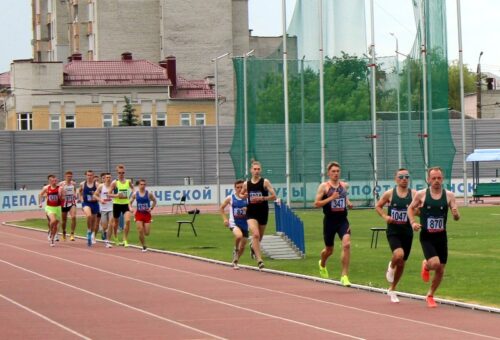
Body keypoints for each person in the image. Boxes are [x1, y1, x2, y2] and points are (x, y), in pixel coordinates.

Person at [407, 166, 460, 308]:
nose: (436, 181)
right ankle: (426, 264)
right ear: (429, 179)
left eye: (439, 178)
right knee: (435, 264)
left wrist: (455, 214)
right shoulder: (421, 194)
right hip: (427, 236)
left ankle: (430, 295)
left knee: (441, 269)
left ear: (442, 179)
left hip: (441, 236)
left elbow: (456, 217)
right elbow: (410, 208)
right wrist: (413, 223)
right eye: (434, 178)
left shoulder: (449, 195)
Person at [375, 168, 417, 303]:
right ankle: (391, 266)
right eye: (401, 177)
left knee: (402, 263)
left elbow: (420, 211)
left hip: (407, 232)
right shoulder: (390, 194)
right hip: (393, 231)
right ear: (396, 179)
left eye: (406, 177)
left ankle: (392, 289)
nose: (404, 179)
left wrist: (415, 216)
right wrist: (385, 216)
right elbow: (378, 206)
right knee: (398, 255)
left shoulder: (414, 195)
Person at [314, 161, 353, 286]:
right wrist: (331, 198)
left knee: (346, 244)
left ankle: (344, 276)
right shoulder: (324, 187)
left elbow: (344, 195)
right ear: (328, 173)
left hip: (343, 221)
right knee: (329, 250)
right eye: (333, 171)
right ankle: (322, 263)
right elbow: (316, 204)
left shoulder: (344, 185)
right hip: (330, 222)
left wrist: (348, 202)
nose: (336, 173)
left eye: (337, 171)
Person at [241, 161, 276, 270]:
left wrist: (263, 198)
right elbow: (241, 194)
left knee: (259, 237)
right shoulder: (246, 184)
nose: (256, 171)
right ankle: (259, 260)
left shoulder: (265, 182)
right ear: (251, 170)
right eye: (254, 169)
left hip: (263, 212)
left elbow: (274, 196)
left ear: (260, 170)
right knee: (255, 234)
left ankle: (252, 246)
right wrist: (244, 195)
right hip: (251, 212)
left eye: (258, 169)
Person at [220, 180, 249, 269]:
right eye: (238, 187)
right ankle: (235, 249)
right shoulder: (231, 198)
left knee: (243, 246)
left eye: (241, 187)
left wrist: (247, 209)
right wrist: (225, 219)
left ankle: (235, 261)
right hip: (234, 223)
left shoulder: (248, 198)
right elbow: (221, 208)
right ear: (235, 188)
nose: (240, 189)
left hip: (245, 224)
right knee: (239, 236)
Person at [129, 179, 157, 252]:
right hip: (139, 214)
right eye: (141, 184)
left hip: (147, 214)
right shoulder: (135, 194)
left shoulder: (149, 194)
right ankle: (143, 246)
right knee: (140, 230)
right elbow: (130, 202)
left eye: (144, 184)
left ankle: (143, 235)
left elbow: (154, 201)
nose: (142, 186)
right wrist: (131, 208)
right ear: (138, 185)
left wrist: (151, 208)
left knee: (147, 233)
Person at [110, 164, 134, 247]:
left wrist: (131, 197)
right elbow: (109, 194)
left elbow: (133, 189)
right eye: (120, 173)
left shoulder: (128, 181)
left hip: (125, 204)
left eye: (123, 173)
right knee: (116, 222)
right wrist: (116, 195)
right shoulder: (114, 182)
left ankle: (125, 239)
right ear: (117, 173)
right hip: (116, 204)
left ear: (125, 173)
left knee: (127, 221)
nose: (121, 174)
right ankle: (115, 237)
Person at [38, 174, 63, 247]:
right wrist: (40, 203)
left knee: (55, 224)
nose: (54, 181)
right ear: (49, 181)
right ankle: (50, 232)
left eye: (55, 180)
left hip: (58, 207)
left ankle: (52, 238)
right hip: (49, 207)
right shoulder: (46, 188)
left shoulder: (60, 188)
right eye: (52, 180)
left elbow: (63, 198)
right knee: (53, 221)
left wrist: (61, 196)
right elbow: (40, 194)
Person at [79, 170, 100, 247]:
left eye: (91, 175)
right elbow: (80, 192)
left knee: (94, 222)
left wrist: (96, 197)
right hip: (86, 203)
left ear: (93, 176)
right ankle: (88, 231)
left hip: (94, 204)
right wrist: (81, 200)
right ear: (86, 176)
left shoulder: (97, 184)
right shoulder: (82, 184)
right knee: (88, 216)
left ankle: (92, 234)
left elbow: (100, 193)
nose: (89, 177)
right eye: (88, 175)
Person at [94, 172, 115, 248]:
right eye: (107, 177)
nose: (108, 179)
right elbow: (95, 195)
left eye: (110, 177)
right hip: (103, 208)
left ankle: (108, 241)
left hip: (111, 208)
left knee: (111, 224)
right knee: (104, 226)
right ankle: (103, 231)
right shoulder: (101, 186)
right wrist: (100, 200)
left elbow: (117, 194)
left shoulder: (113, 186)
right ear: (104, 178)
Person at [60, 171, 78, 241]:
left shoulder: (73, 184)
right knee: (64, 220)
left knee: (73, 217)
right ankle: (64, 232)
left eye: (70, 176)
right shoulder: (61, 184)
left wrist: (74, 195)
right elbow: (59, 192)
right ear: (65, 176)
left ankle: (72, 234)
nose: (69, 177)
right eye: (68, 176)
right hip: (64, 203)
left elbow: (75, 191)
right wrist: (62, 196)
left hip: (72, 203)